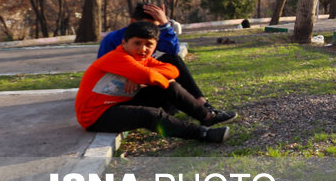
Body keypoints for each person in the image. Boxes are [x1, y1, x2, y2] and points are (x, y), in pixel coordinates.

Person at [77, 21, 236, 143]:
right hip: (96, 116)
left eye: (148, 45)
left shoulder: (143, 59)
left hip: (120, 101)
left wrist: (141, 76)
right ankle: (202, 134)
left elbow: (173, 70)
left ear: (154, 46)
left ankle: (207, 116)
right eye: (137, 43)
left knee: (170, 85)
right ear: (124, 43)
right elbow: (149, 77)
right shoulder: (118, 57)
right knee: (150, 115)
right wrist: (144, 76)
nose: (143, 49)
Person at [99, 2, 223, 116]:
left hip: (145, 85)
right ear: (132, 22)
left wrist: (164, 24)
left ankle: (201, 103)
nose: (150, 32)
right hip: (123, 92)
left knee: (171, 61)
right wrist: (132, 75)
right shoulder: (112, 40)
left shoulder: (153, 36)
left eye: (155, 27)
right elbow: (106, 71)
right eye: (146, 25)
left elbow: (172, 53)